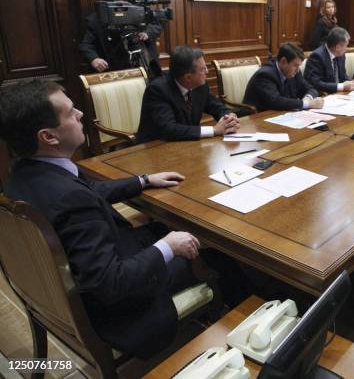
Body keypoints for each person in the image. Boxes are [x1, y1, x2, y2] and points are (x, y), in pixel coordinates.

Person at [0, 80, 211, 358]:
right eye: (70, 112)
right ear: (48, 136)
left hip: (81, 275)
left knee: (162, 227)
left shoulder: (25, 171)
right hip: (122, 309)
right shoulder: (71, 200)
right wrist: (168, 247)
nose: (81, 114)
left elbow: (87, 191)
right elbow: (111, 284)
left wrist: (143, 180)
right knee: (217, 256)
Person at [137, 46, 240, 143]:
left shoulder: (200, 85)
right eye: (203, 69)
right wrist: (213, 130)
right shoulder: (158, 90)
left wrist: (228, 117)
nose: (207, 72)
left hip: (187, 144)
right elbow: (169, 129)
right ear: (188, 77)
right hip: (154, 148)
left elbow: (216, 106)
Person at [78, 0, 163, 77]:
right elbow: (86, 45)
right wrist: (94, 59)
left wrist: (148, 33)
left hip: (146, 66)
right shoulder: (95, 20)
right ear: (111, 0)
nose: (128, 1)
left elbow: (157, 24)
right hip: (117, 72)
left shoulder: (135, 9)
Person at [243, 43, 323, 111]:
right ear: (283, 61)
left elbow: (311, 89)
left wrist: (308, 98)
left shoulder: (295, 72)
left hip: (282, 116)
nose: (298, 69)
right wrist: (307, 104)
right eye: (295, 65)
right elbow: (276, 101)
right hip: (257, 118)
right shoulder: (265, 75)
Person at [304, 27, 354, 94]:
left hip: (340, 94)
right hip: (324, 95)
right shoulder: (317, 57)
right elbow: (316, 83)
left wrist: (352, 82)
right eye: (346, 46)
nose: (346, 49)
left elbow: (343, 76)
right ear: (337, 47)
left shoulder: (341, 56)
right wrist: (341, 86)